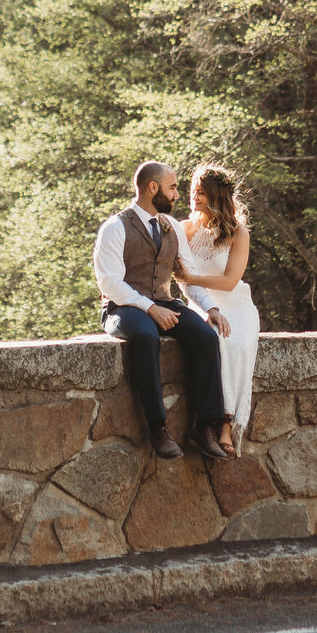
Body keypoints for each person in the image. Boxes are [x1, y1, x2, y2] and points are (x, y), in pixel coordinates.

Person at [93, 160, 227, 460]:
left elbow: (187, 277)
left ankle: (203, 426)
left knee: (205, 337)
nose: (177, 195)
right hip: (122, 307)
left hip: (162, 302)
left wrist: (211, 307)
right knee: (146, 335)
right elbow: (110, 283)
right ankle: (158, 427)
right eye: (172, 187)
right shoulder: (115, 227)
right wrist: (150, 308)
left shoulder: (171, 228)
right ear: (152, 188)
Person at [173, 163, 257, 459]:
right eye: (192, 191)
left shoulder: (238, 233)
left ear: (216, 196)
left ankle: (226, 423)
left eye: (201, 193)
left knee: (238, 344)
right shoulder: (184, 229)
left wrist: (191, 277)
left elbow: (230, 280)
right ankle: (215, 421)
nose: (193, 197)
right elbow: (181, 281)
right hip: (202, 303)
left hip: (236, 303)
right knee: (214, 339)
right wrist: (203, 300)